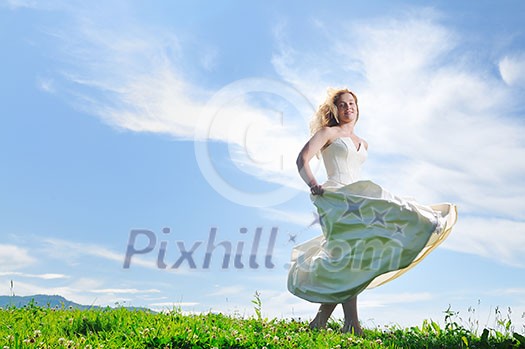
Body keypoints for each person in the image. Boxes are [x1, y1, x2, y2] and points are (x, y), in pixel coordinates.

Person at [287, 88, 457, 335]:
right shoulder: (328, 133)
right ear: (335, 110)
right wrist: (314, 185)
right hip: (335, 198)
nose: (349, 108)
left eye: (352, 103)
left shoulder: (363, 143)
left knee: (352, 260)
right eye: (343, 105)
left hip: (358, 197)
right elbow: (302, 159)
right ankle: (351, 324)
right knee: (347, 258)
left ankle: (323, 323)